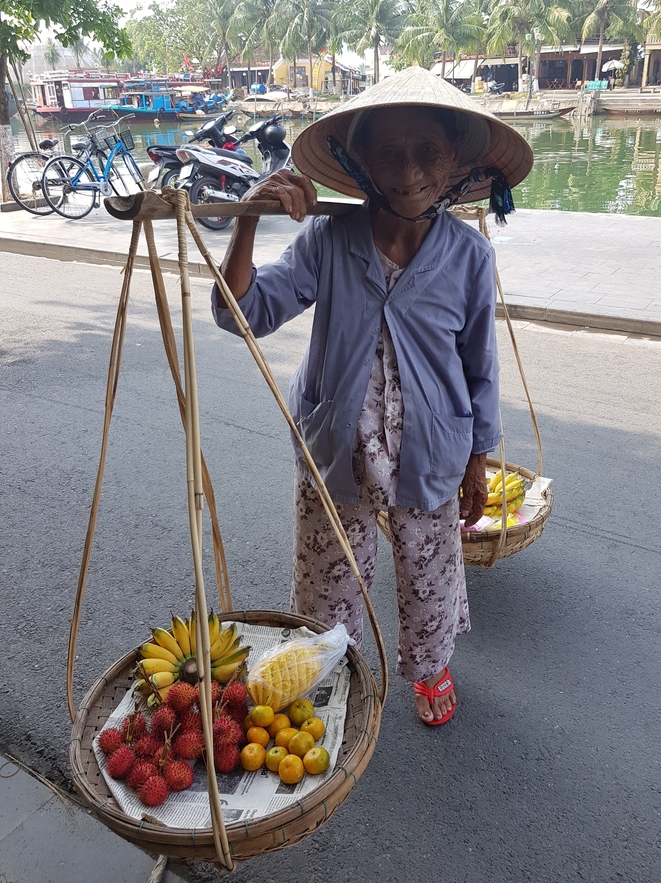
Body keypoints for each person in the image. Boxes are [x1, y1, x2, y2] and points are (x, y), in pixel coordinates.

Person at [212, 66, 533, 725]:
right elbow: (241, 312)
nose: (408, 171)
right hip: (337, 451)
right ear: (359, 161)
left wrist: (478, 460)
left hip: (431, 452)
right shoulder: (329, 241)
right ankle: (331, 667)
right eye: (387, 151)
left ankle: (430, 664)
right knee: (327, 580)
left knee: (428, 572)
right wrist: (247, 218)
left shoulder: (469, 257)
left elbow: (480, 367)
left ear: (454, 161)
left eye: (427, 151)